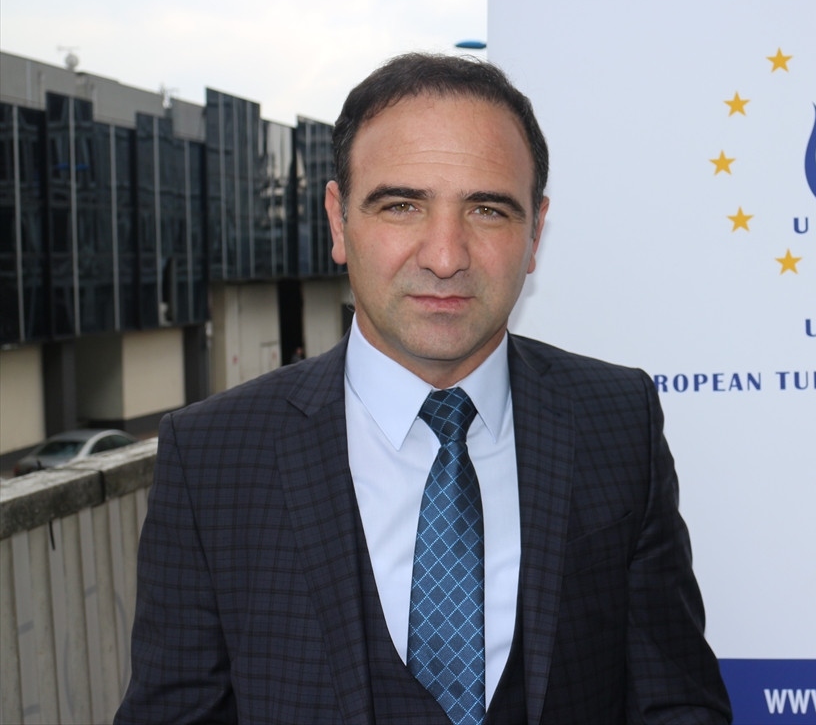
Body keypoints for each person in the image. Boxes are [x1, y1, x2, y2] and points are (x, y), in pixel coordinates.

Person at [116, 54, 731, 724]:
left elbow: (677, 704)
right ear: (338, 221)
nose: (444, 256)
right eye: (402, 206)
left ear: (535, 233)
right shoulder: (212, 457)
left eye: (488, 210)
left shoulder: (618, 422)